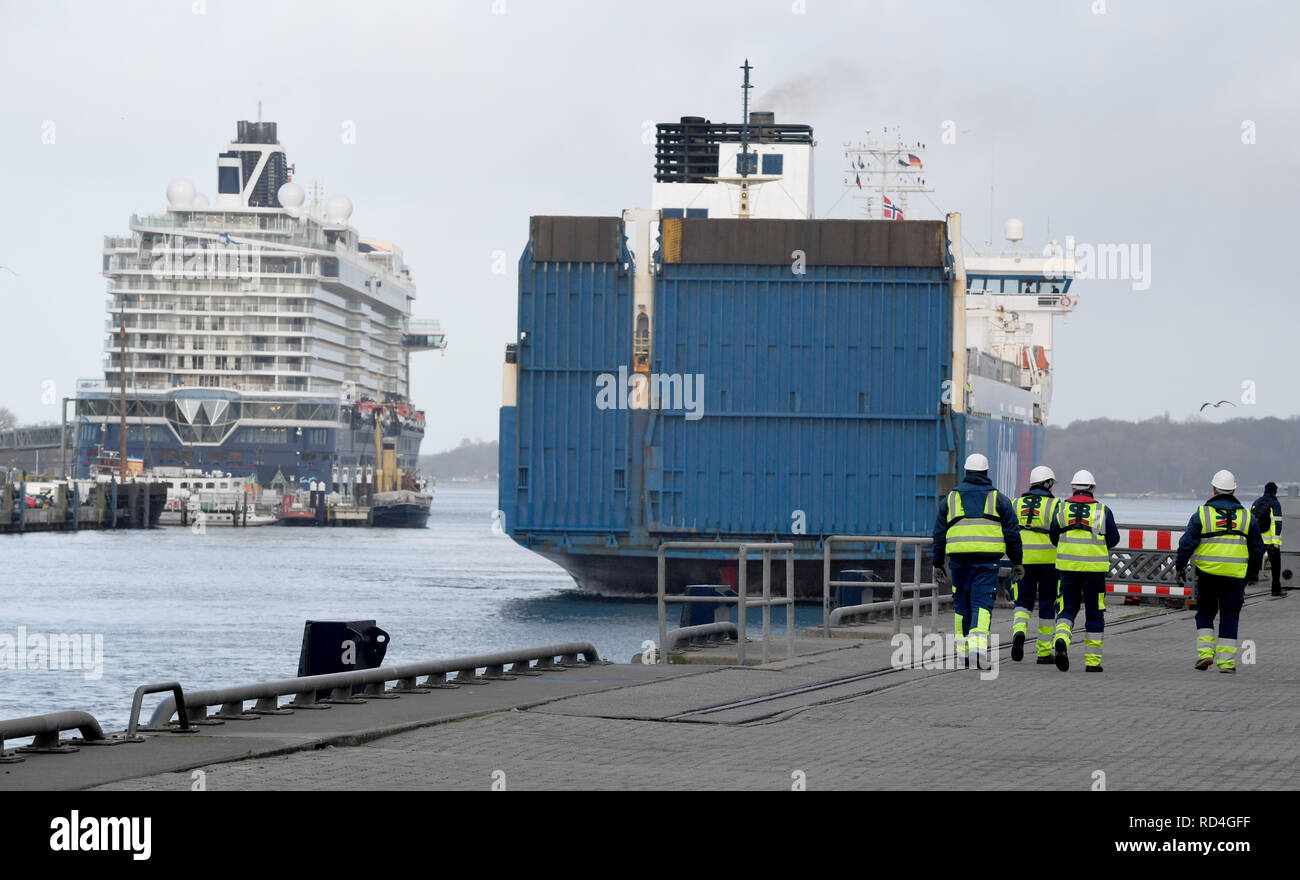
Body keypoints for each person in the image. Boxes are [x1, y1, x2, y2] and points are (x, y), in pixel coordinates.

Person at [933, 453, 1023, 669]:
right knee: (982, 605)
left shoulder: (951, 499)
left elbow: (939, 534)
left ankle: (961, 653)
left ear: (966, 472)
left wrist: (937, 563)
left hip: (959, 563)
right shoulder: (999, 499)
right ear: (986, 472)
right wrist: (1017, 561)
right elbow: (1012, 533)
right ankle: (977, 650)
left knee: (961, 606)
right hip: (986, 563)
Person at [1176, 470, 1266, 673]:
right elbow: (1258, 549)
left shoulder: (1202, 514)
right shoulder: (1246, 516)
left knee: (1205, 614)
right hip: (1235, 576)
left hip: (1207, 575)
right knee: (1230, 616)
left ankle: (1205, 654)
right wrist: (1252, 573)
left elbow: (1187, 543)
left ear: (1214, 489)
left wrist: (1180, 566)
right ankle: (1226, 663)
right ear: (1234, 490)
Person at [1049, 469, 1120, 672]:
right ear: (1093, 488)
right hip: (1094, 571)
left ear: (1072, 488)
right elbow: (1113, 540)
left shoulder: (1061, 509)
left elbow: (1054, 537)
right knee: (1094, 612)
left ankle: (1061, 638)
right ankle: (1092, 662)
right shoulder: (1102, 510)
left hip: (1068, 568)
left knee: (1067, 608)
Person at [1012, 465, 1061, 664]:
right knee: (1047, 604)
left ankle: (1019, 631)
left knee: (1022, 602)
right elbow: (1060, 530)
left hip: (1024, 560)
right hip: (1049, 560)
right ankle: (1043, 652)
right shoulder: (1055, 504)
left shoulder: (1016, 503)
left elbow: (1010, 530)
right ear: (1048, 483)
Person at [1250, 481, 1285, 598]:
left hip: (1258, 540)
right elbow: (1277, 523)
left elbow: (1251, 522)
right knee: (1276, 567)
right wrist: (1276, 542)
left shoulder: (1256, 502)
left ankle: (1245, 587)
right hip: (1270, 541)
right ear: (1275, 491)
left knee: (1252, 564)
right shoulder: (1275, 503)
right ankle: (1276, 590)